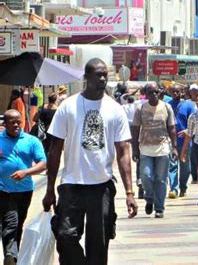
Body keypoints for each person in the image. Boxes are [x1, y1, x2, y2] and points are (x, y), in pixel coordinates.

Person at [42, 58, 138, 265]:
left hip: (101, 187)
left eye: (105, 74)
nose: (102, 78)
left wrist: (130, 192)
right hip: (71, 184)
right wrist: (50, 189)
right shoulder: (68, 106)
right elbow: (55, 149)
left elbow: (123, 151)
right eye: (98, 74)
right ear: (86, 77)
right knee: (65, 236)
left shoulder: (115, 109)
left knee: (99, 244)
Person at [0, 109, 47, 265]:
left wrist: (26, 172)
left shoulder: (32, 141)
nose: (16, 125)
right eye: (12, 122)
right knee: (10, 221)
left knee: (17, 223)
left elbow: (43, 163)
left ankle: (13, 255)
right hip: (3, 190)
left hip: (25, 190)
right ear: (4, 124)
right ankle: (10, 255)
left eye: (18, 121)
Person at [131, 83, 177, 218]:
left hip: (163, 149)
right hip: (145, 149)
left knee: (161, 180)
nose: (154, 95)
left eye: (156, 92)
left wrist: (174, 148)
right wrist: (134, 149)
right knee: (146, 176)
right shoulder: (141, 109)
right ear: (146, 94)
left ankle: (159, 208)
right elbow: (135, 129)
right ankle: (149, 197)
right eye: (151, 92)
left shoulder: (166, 107)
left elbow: (172, 129)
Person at [168, 84, 197, 198]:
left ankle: (183, 186)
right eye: (173, 92)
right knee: (172, 165)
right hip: (171, 142)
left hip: (185, 142)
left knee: (185, 167)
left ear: (182, 92)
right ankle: (173, 189)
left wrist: (187, 130)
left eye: (177, 92)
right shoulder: (168, 105)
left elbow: (195, 122)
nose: (175, 94)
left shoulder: (189, 105)